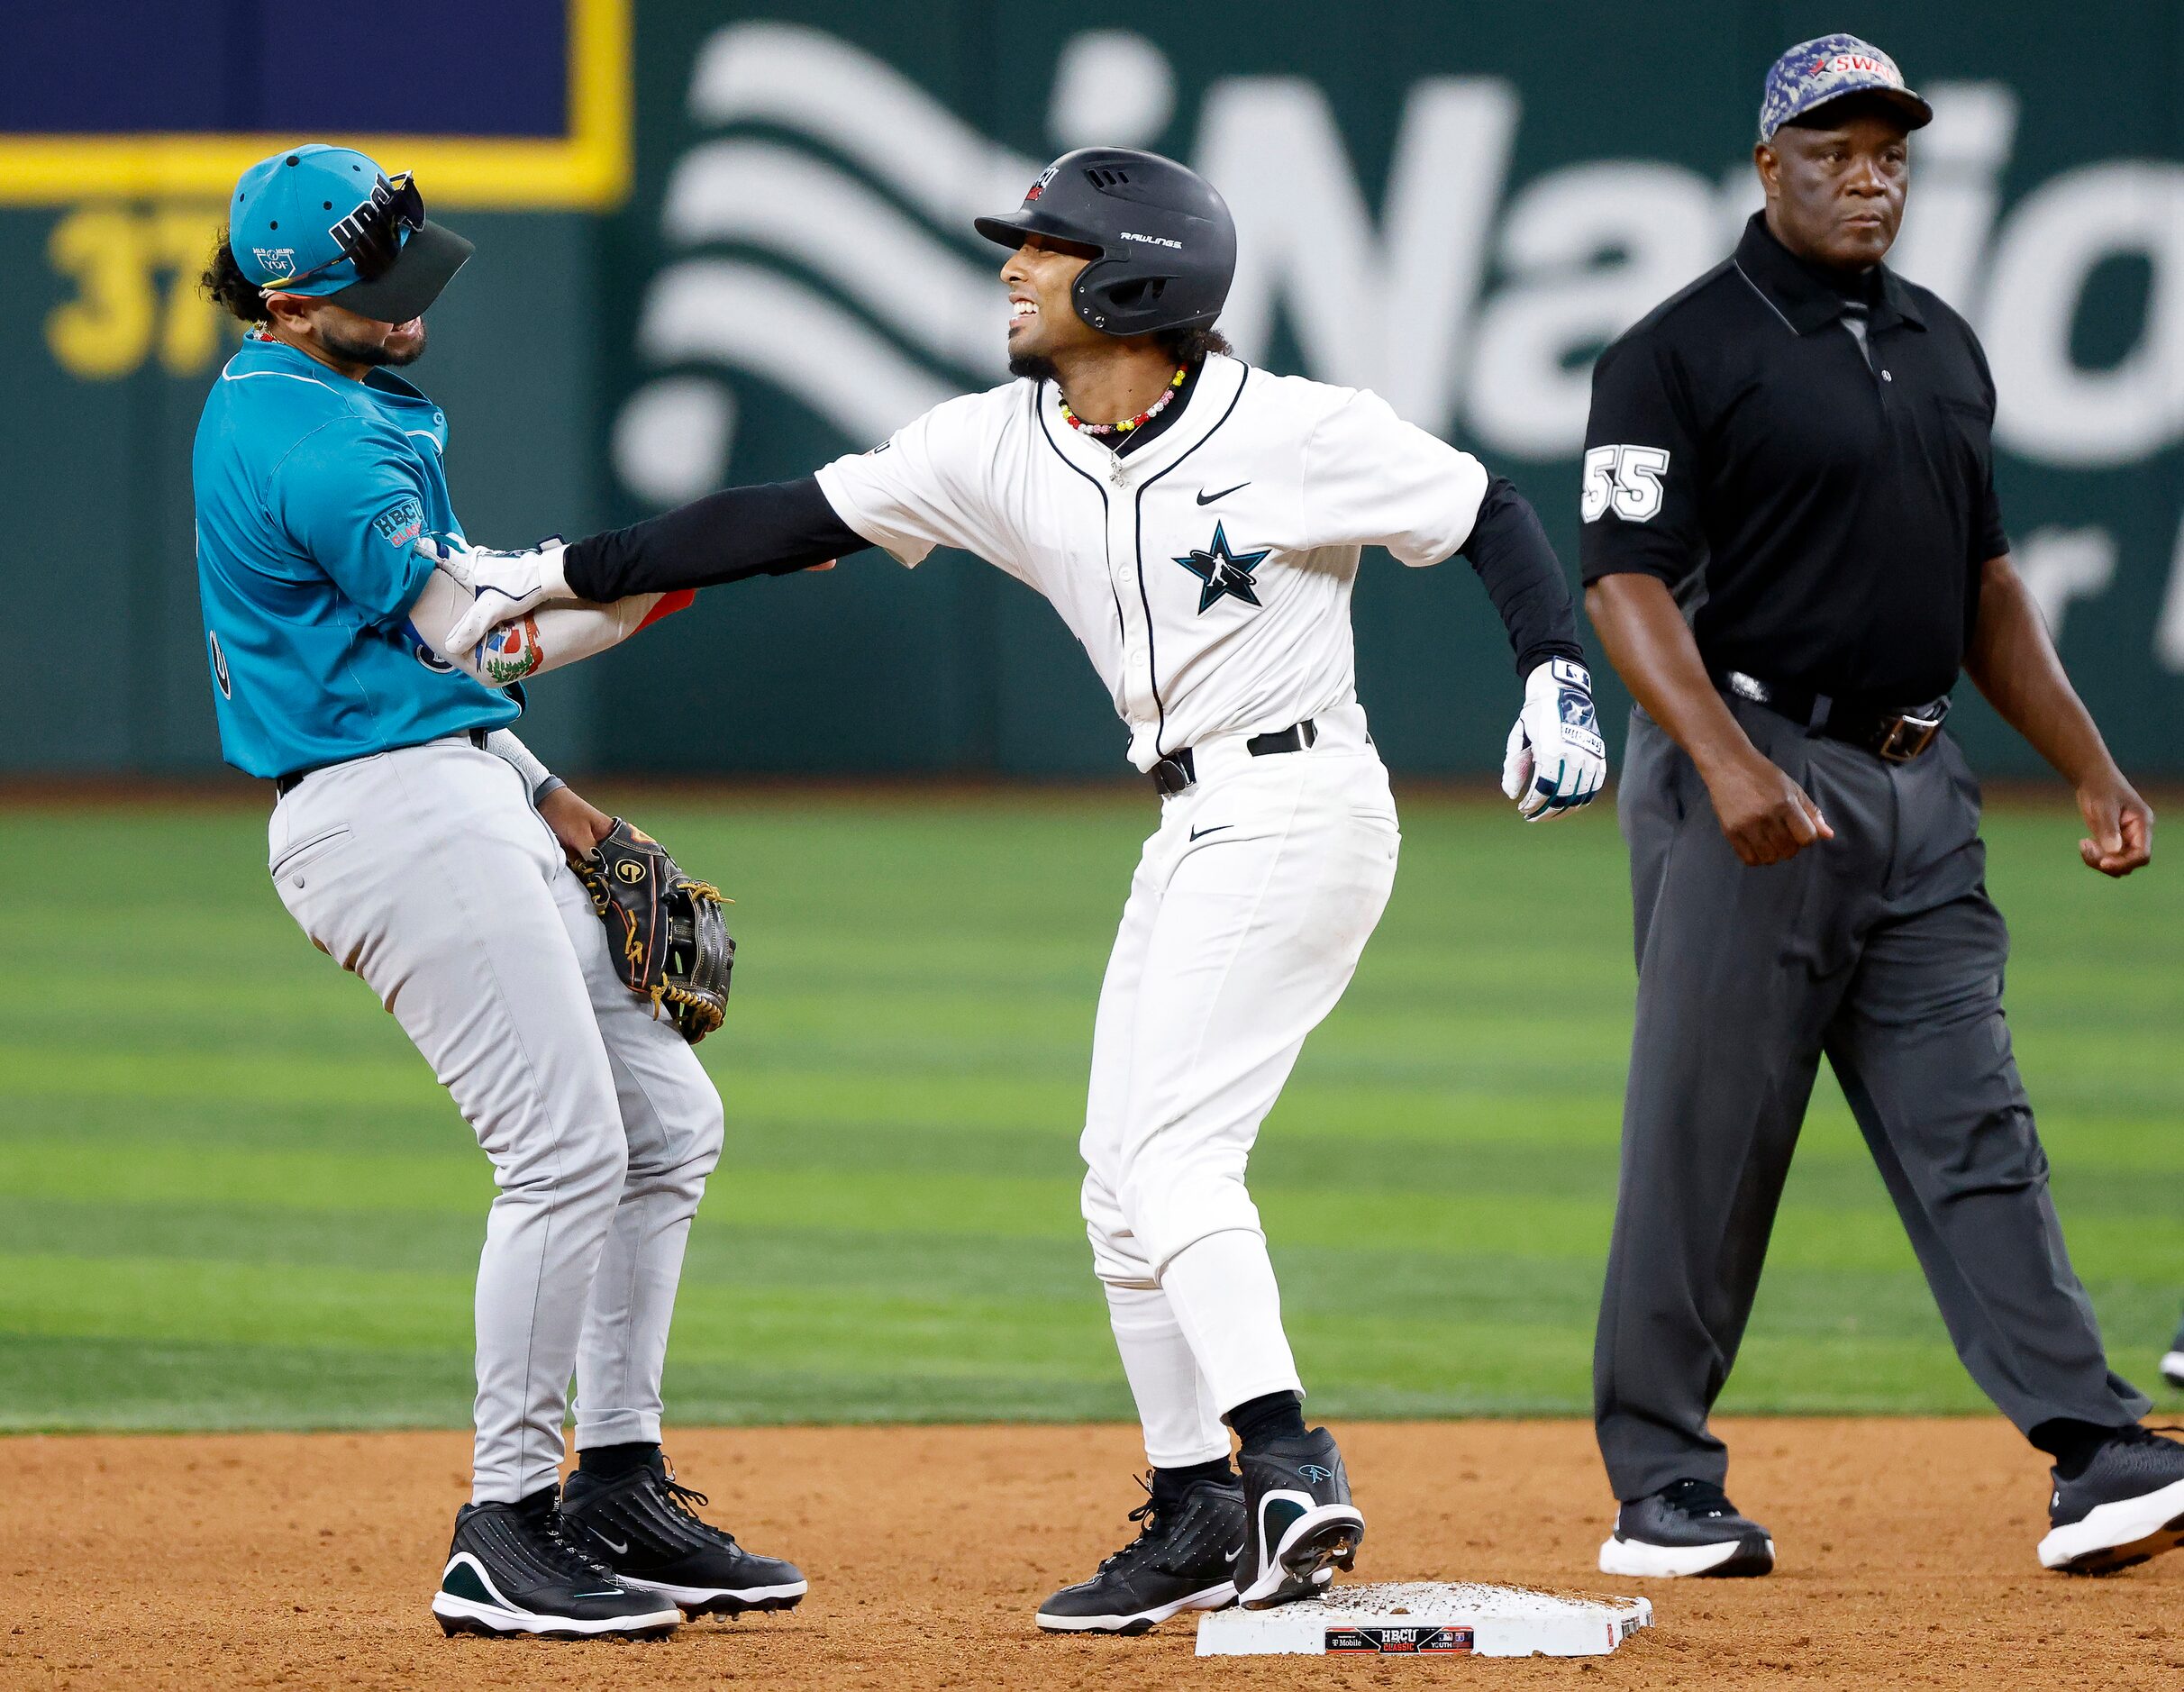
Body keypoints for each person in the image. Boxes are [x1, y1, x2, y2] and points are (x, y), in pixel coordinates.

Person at [436, 146, 1609, 1632]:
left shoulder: (1296, 430)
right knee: (1119, 1183)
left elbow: (1484, 508)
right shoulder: (1002, 443)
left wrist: (1555, 668)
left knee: (1177, 1159)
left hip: (1303, 800)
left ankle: (1287, 1462)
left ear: (1133, 279)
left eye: (1044, 247)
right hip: (1191, 819)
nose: (1012, 265)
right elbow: (781, 521)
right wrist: (550, 569)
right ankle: (1195, 1505)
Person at [1579, 37, 2181, 1581]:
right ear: (1766, 161)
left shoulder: (1941, 342)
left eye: (1890, 151)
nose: (1869, 174)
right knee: (1706, 1144)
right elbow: (1625, 583)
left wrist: (2092, 761)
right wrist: (1724, 764)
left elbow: (1984, 588)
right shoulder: (1678, 348)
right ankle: (1662, 1482)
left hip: (1924, 789)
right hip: (1758, 767)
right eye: (1834, 148)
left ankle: (2093, 1441)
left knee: (1978, 1122)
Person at [192, 144, 805, 1639]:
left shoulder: (338, 393)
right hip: (380, 817)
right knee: (562, 1147)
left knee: (667, 1123)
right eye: (372, 287)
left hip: (454, 787)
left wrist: (566, 809)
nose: (408, 307)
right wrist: (699, 558)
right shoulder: (302, 436)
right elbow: (485, 638)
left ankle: (614, 1478)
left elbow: (428, 679)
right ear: (283, 297)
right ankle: (504, 1522)